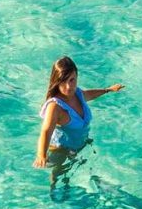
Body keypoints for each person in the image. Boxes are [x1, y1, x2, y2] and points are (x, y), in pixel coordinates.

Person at [34, 55, 122, 184]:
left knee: (81, 169)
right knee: (58, 172)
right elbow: (46, 131)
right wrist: (41, 154)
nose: (69, 86)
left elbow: (88, 94)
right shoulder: (55, 107)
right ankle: (53, 188)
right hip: (60, 150)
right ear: (56, 82)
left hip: (80, 143)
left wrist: (108, 90)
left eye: (72, 80)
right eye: (63, 81)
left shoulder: (77, 94)